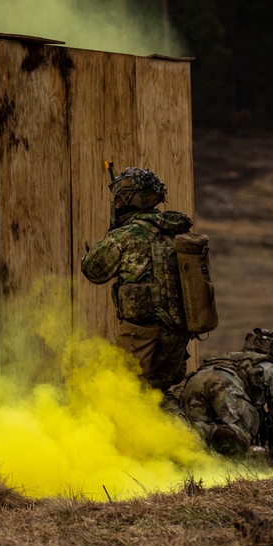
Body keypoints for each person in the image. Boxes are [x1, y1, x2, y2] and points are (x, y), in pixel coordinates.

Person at [80, 167, 194, 397]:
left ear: (126, 200)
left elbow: (93, 271)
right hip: (178, 336)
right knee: (155, 395)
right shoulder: (175, 233)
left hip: (142, 337)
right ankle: (177, 433)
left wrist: (113, 233)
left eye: (118, 199)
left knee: (112, 391)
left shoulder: (126, 236)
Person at [180, 328, 273, 456]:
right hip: (223, 382)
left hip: (195, 380)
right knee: (238, 438)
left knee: (201, 447)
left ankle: (176, 434)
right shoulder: (268, 368)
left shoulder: (231, 358)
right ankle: (190, 431)